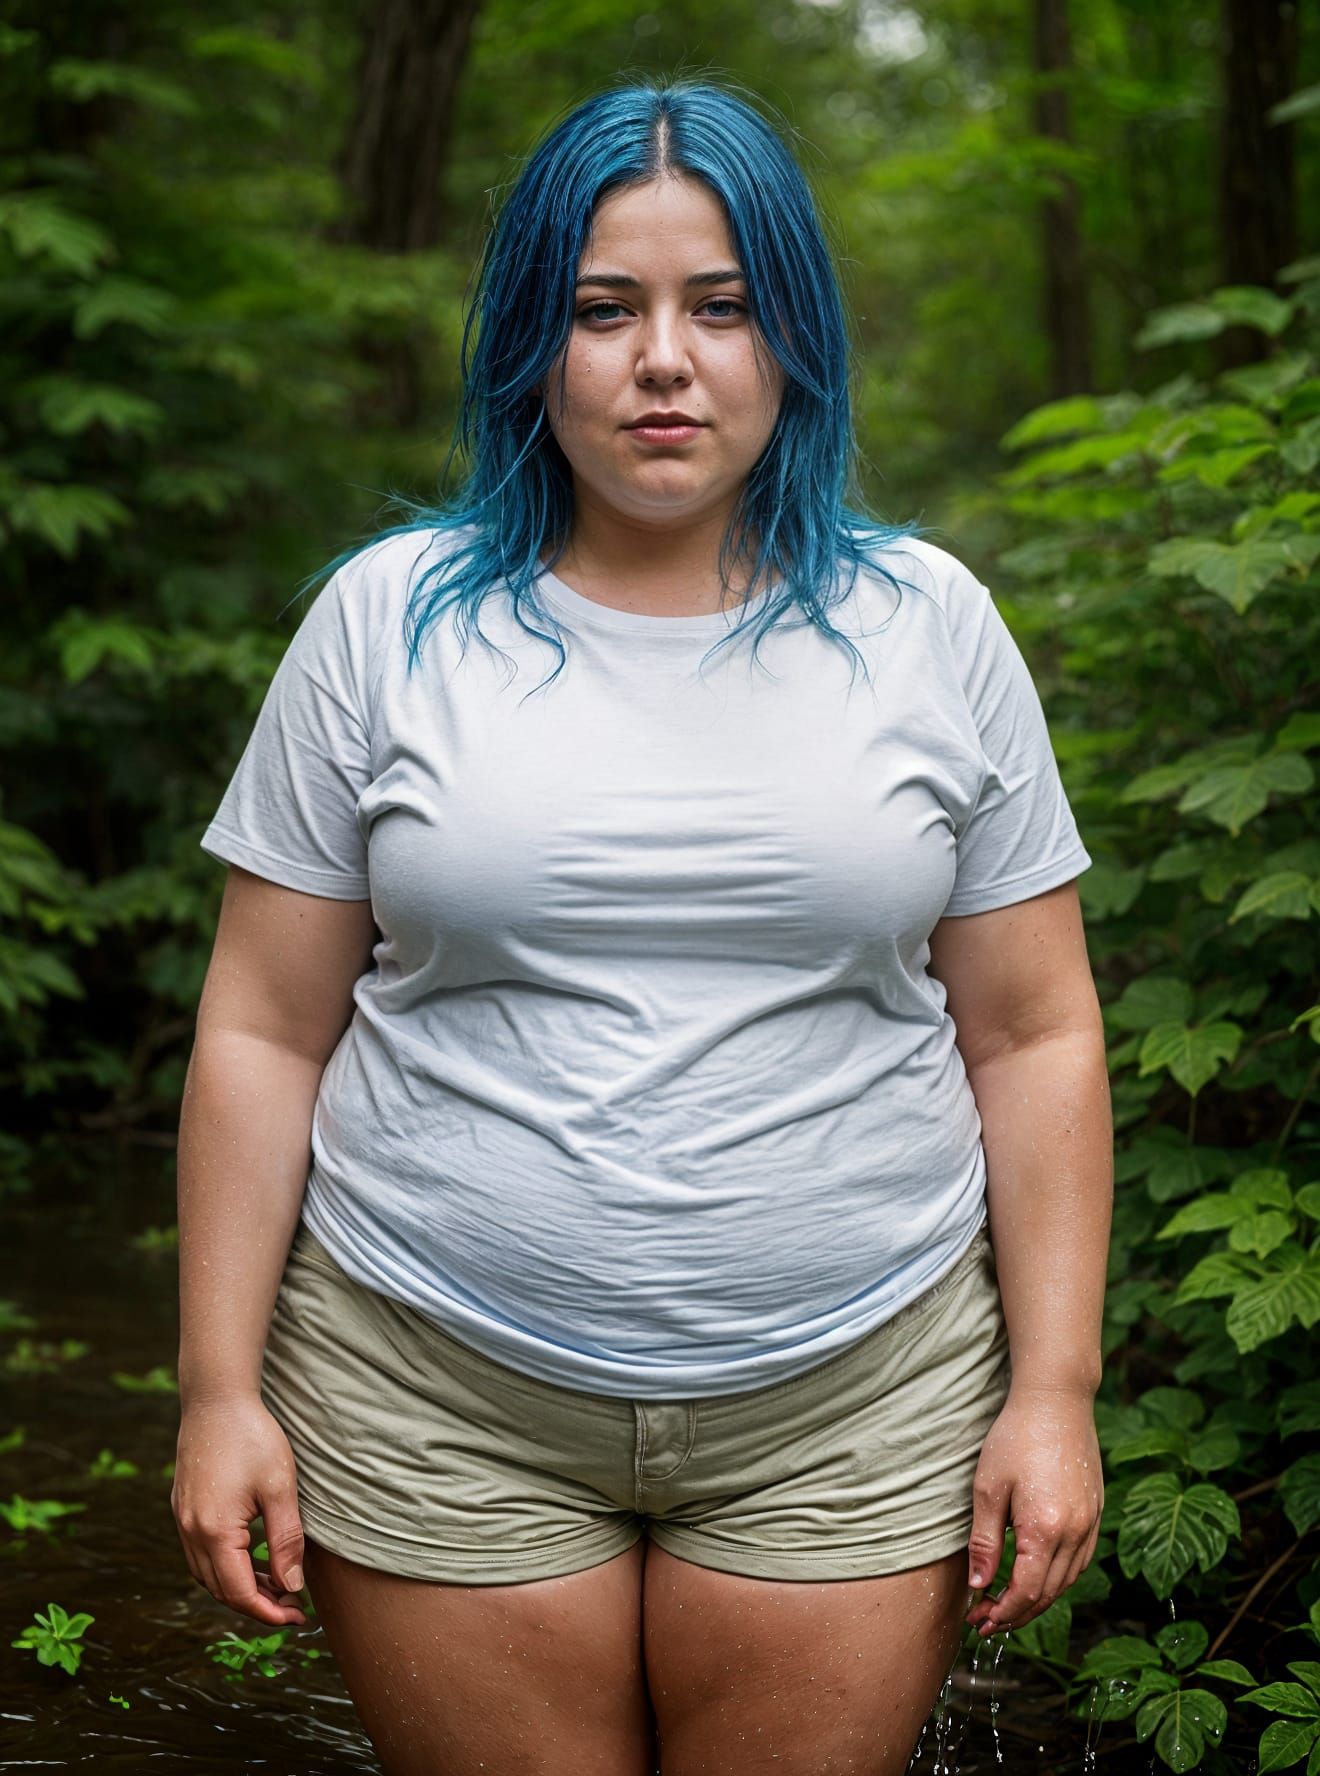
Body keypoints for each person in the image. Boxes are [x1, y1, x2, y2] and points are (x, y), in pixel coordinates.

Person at [172, 73, 1111, 1776]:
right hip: (432, 1377)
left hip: (854, 1389)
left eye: (722, 307)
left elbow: (1034, 1029)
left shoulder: (930, 627)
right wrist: (217, 1389)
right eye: (605, 309)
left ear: (793, 342)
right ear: (535, 340)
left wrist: (1054, 1389)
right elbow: (261, 1025)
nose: (662, 359)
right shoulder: (385, 622)